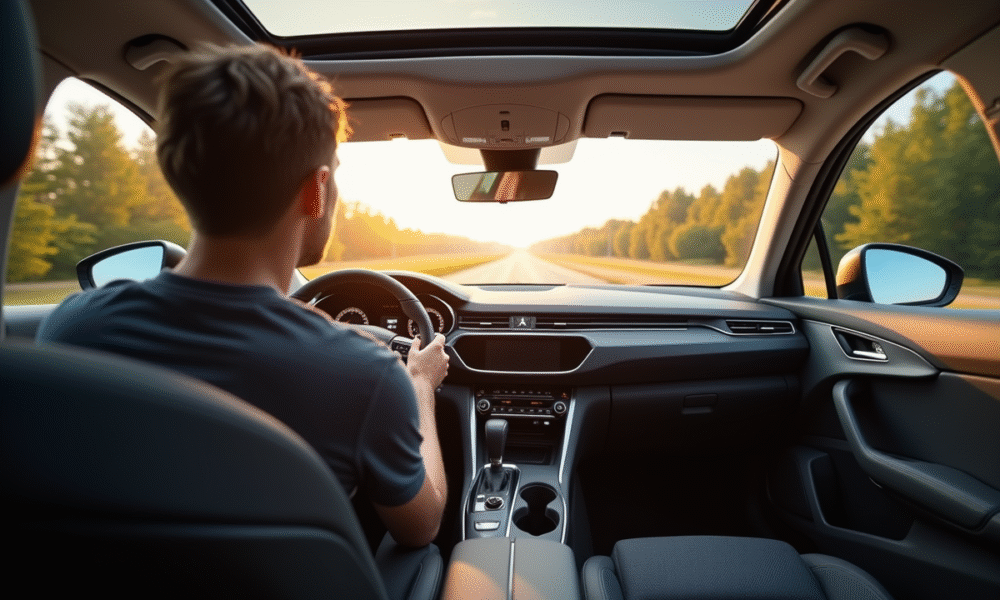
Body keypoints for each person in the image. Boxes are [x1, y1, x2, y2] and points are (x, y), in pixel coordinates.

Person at [36, 44, 449, 549]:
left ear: (179, 175)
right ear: (316, 190)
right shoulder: (367, 377)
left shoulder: (73, 329)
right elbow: (420, 527)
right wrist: (420, 386)